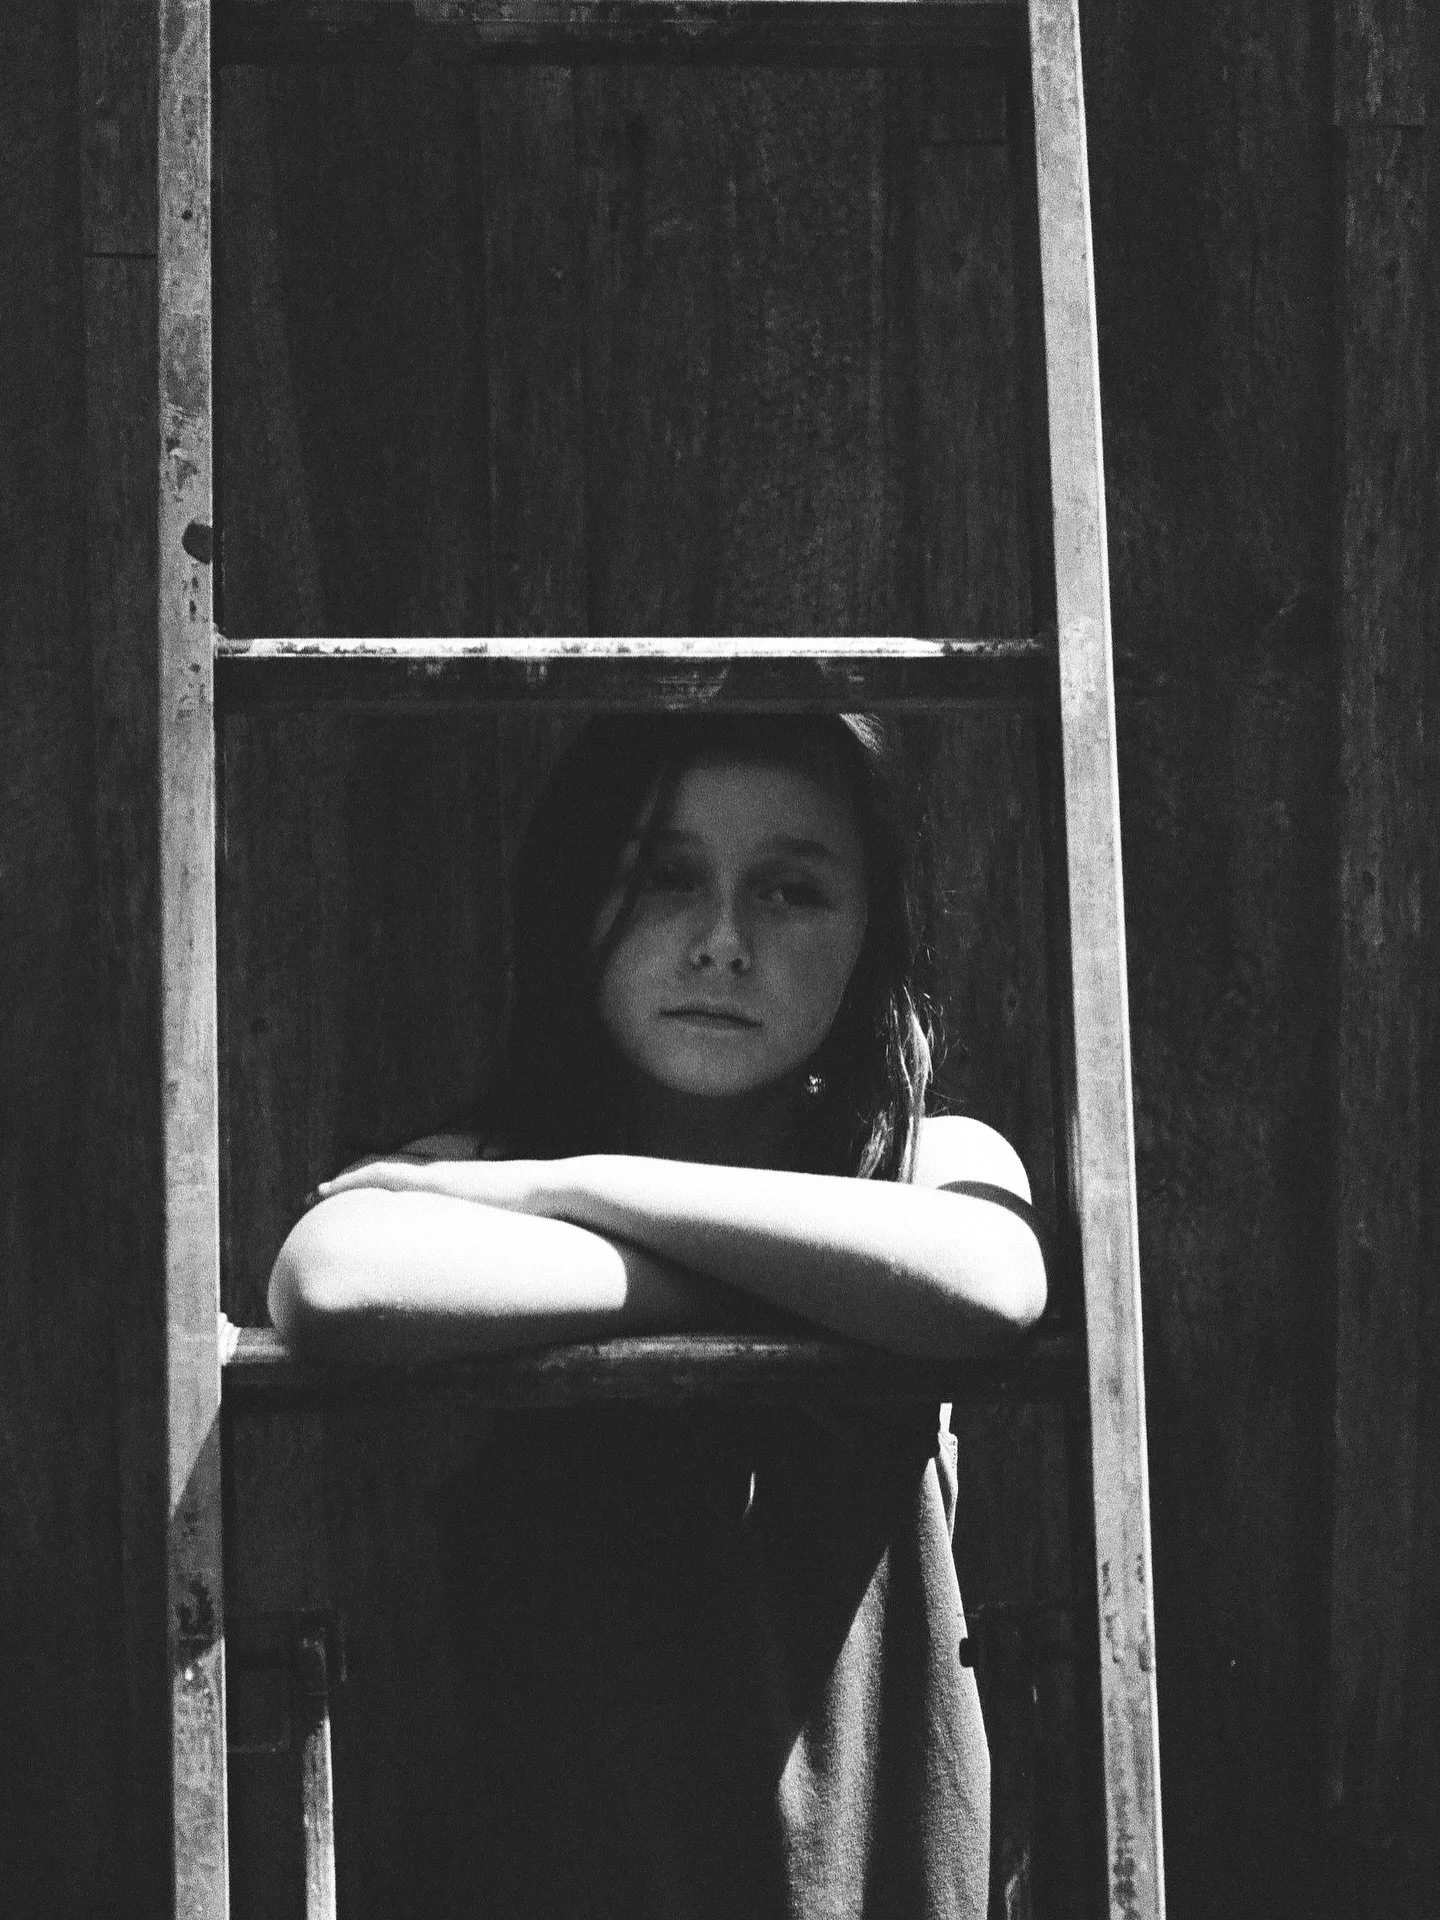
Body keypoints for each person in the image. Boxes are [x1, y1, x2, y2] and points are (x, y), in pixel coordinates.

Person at [269, 712, 1047, 1920]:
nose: (723, 943)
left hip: (876, 1881)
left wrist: (565, 1195)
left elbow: (986, 1281)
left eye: (791, 890)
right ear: (580, 899)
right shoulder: (471, 1168)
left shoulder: (921, 1164)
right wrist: (809, 1293)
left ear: (869, 939)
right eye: (665, 877)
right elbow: (335, 1282)